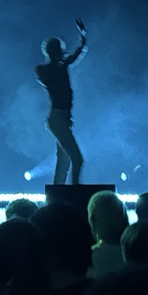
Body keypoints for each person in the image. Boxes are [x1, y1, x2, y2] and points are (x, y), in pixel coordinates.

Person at [36, 20, 89, 185]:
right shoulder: (46, 70)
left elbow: (74, 56)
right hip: (58, 119)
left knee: (64, 162)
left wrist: (83, 39)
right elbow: (54, 74)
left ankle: (57, 193)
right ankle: (75, 191)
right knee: (77, 158)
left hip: (62, 119)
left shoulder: (59, 66)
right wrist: (81, 41)